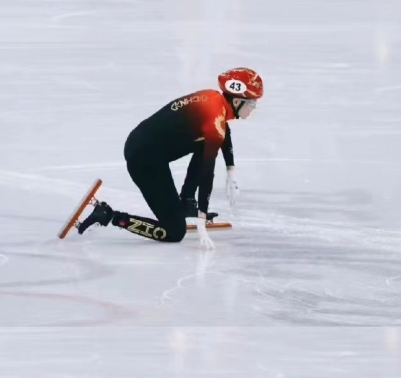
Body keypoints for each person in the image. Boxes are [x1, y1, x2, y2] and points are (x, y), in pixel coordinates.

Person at [76, 68, 264, 250]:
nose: (253, 110)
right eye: (252, 104)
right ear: (238, 101)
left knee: (206, 142)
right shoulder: (215, 121)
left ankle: (187, 202)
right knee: (174, 232)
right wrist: (201, 222)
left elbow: (223, 130)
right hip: (144, 159)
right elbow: (207, 174)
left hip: (145, 143)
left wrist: (231, 171)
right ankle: (109, 215)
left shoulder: (213, 99)